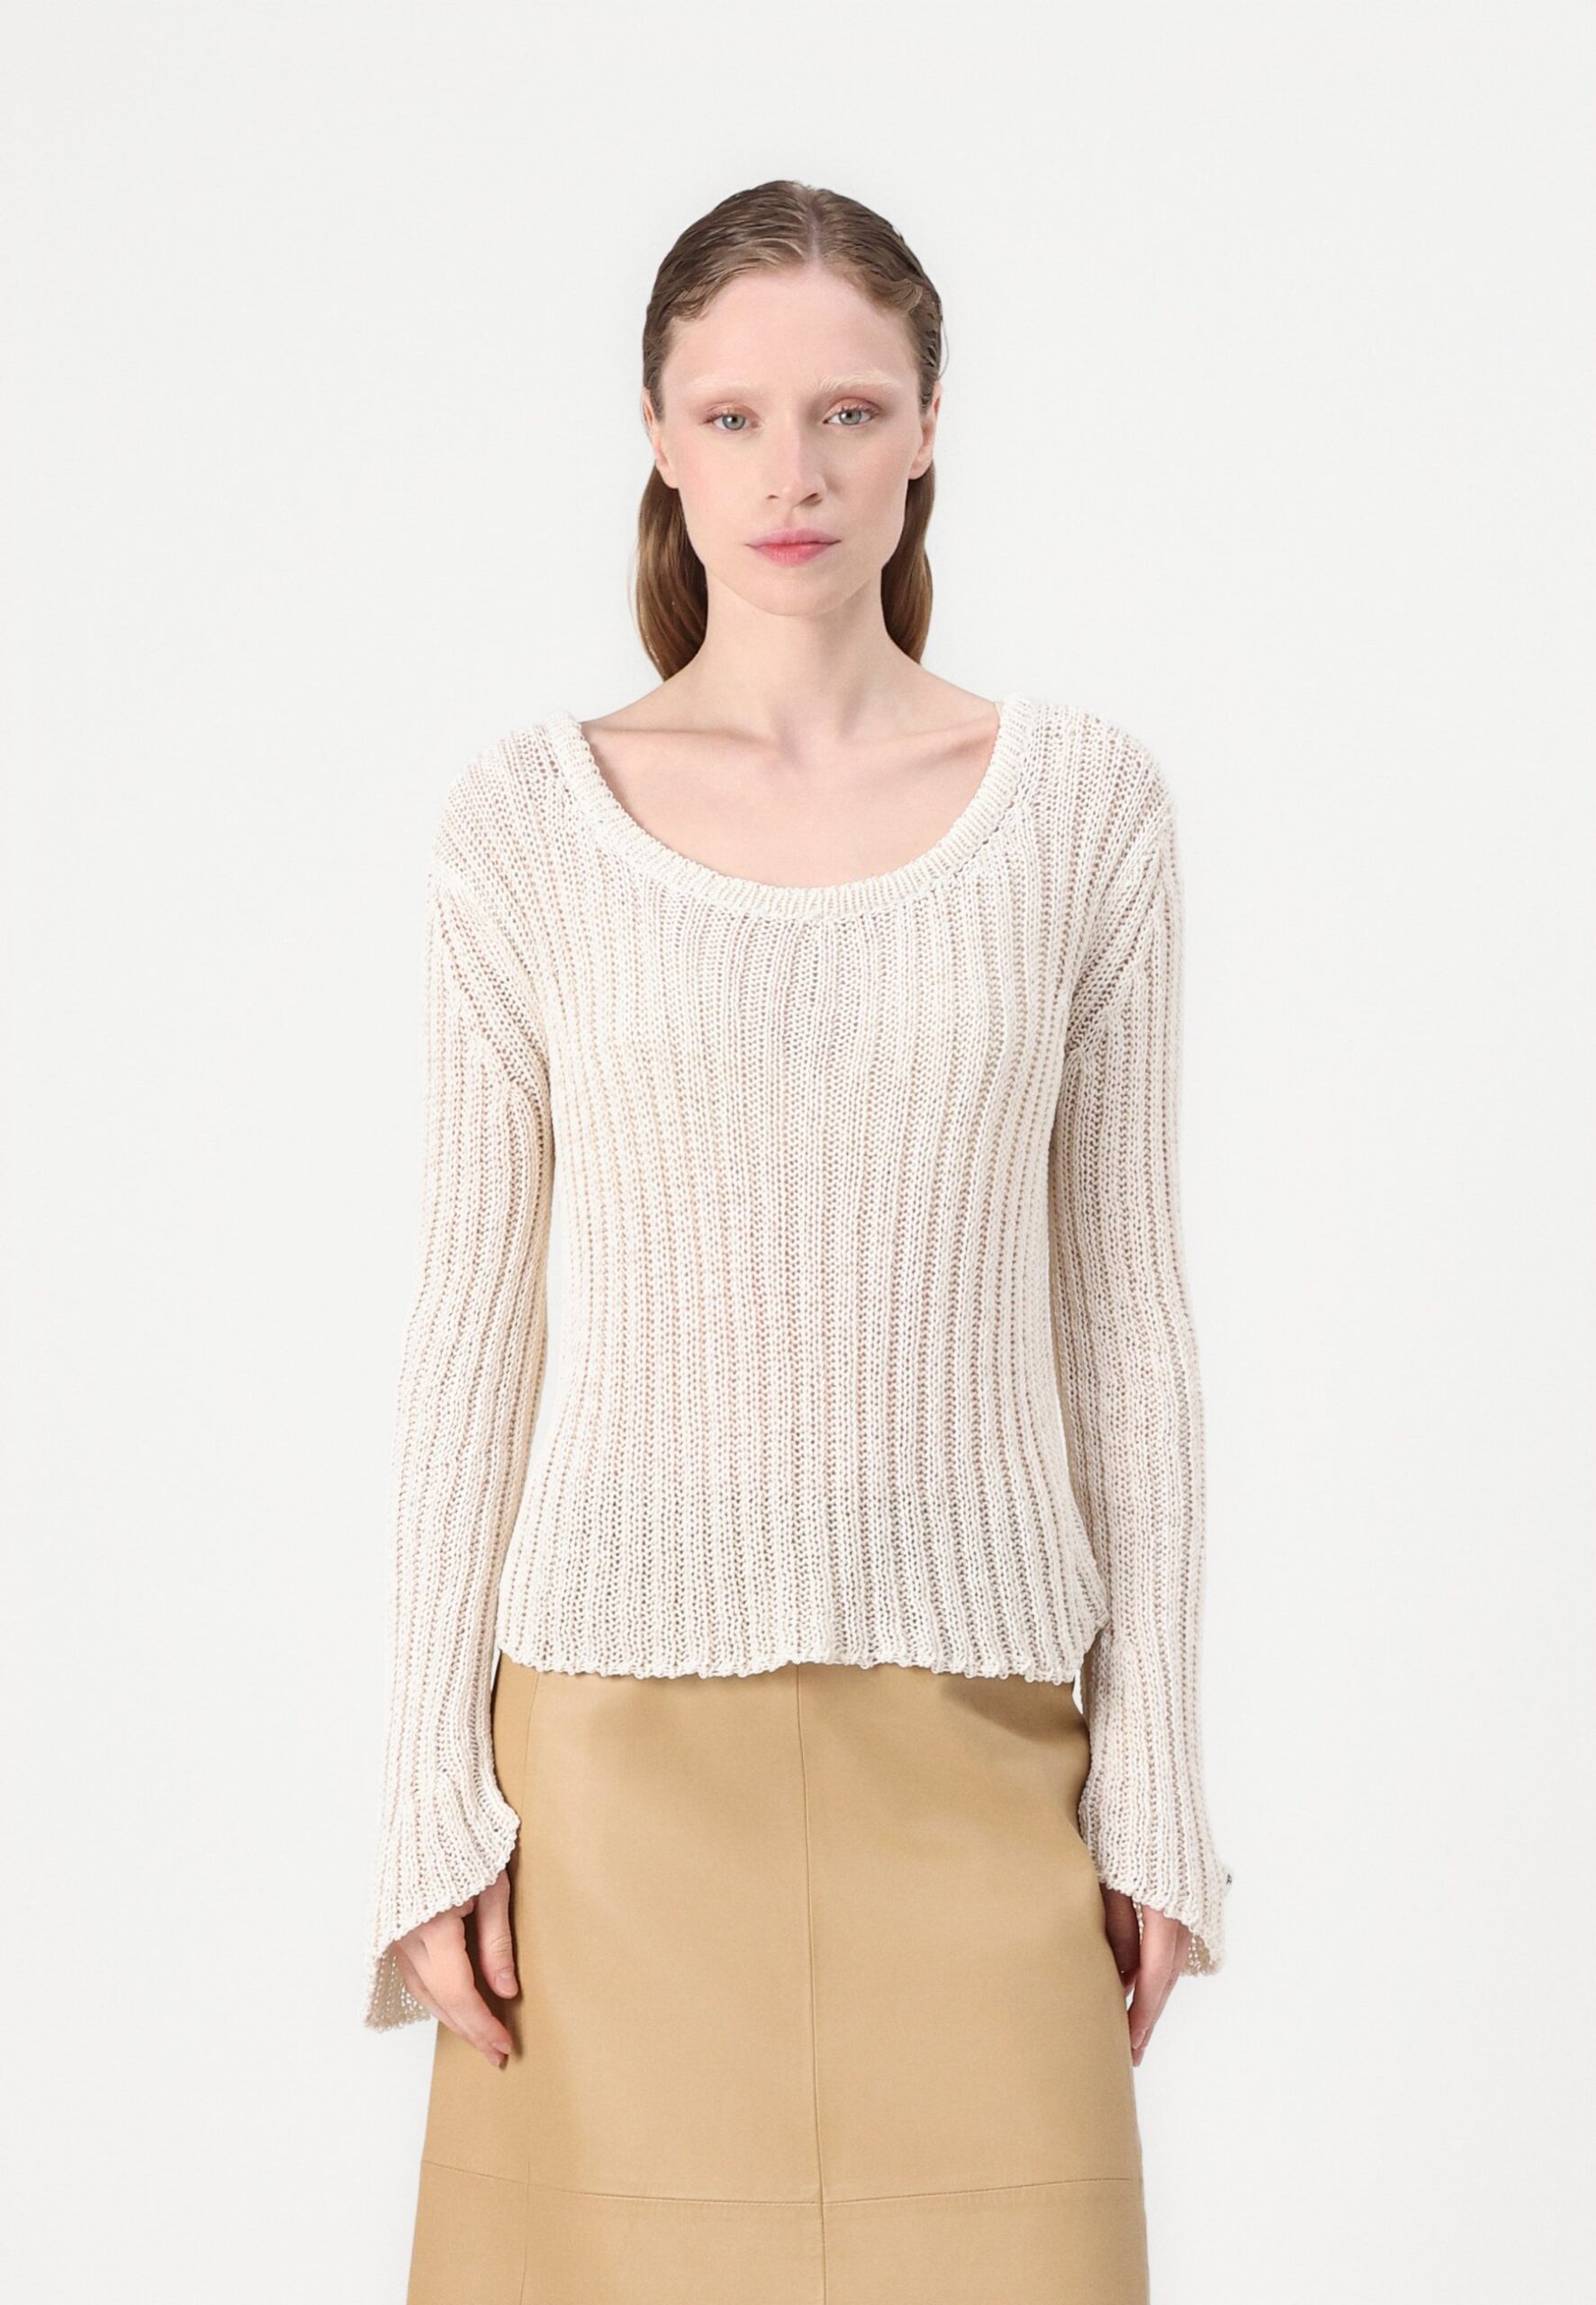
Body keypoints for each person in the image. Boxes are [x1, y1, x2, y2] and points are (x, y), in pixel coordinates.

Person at [362, 177, 1231, 2305]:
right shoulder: (524, 824)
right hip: (607, 1773)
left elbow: (1123, 1318)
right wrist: (420, 1794)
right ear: (658, 439)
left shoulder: (1081, 811)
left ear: (926, 428)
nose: (793, 472)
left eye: (847, 410)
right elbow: (465, 1332)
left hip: (984, 1748)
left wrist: (1156, 1774)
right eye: (733, 416)